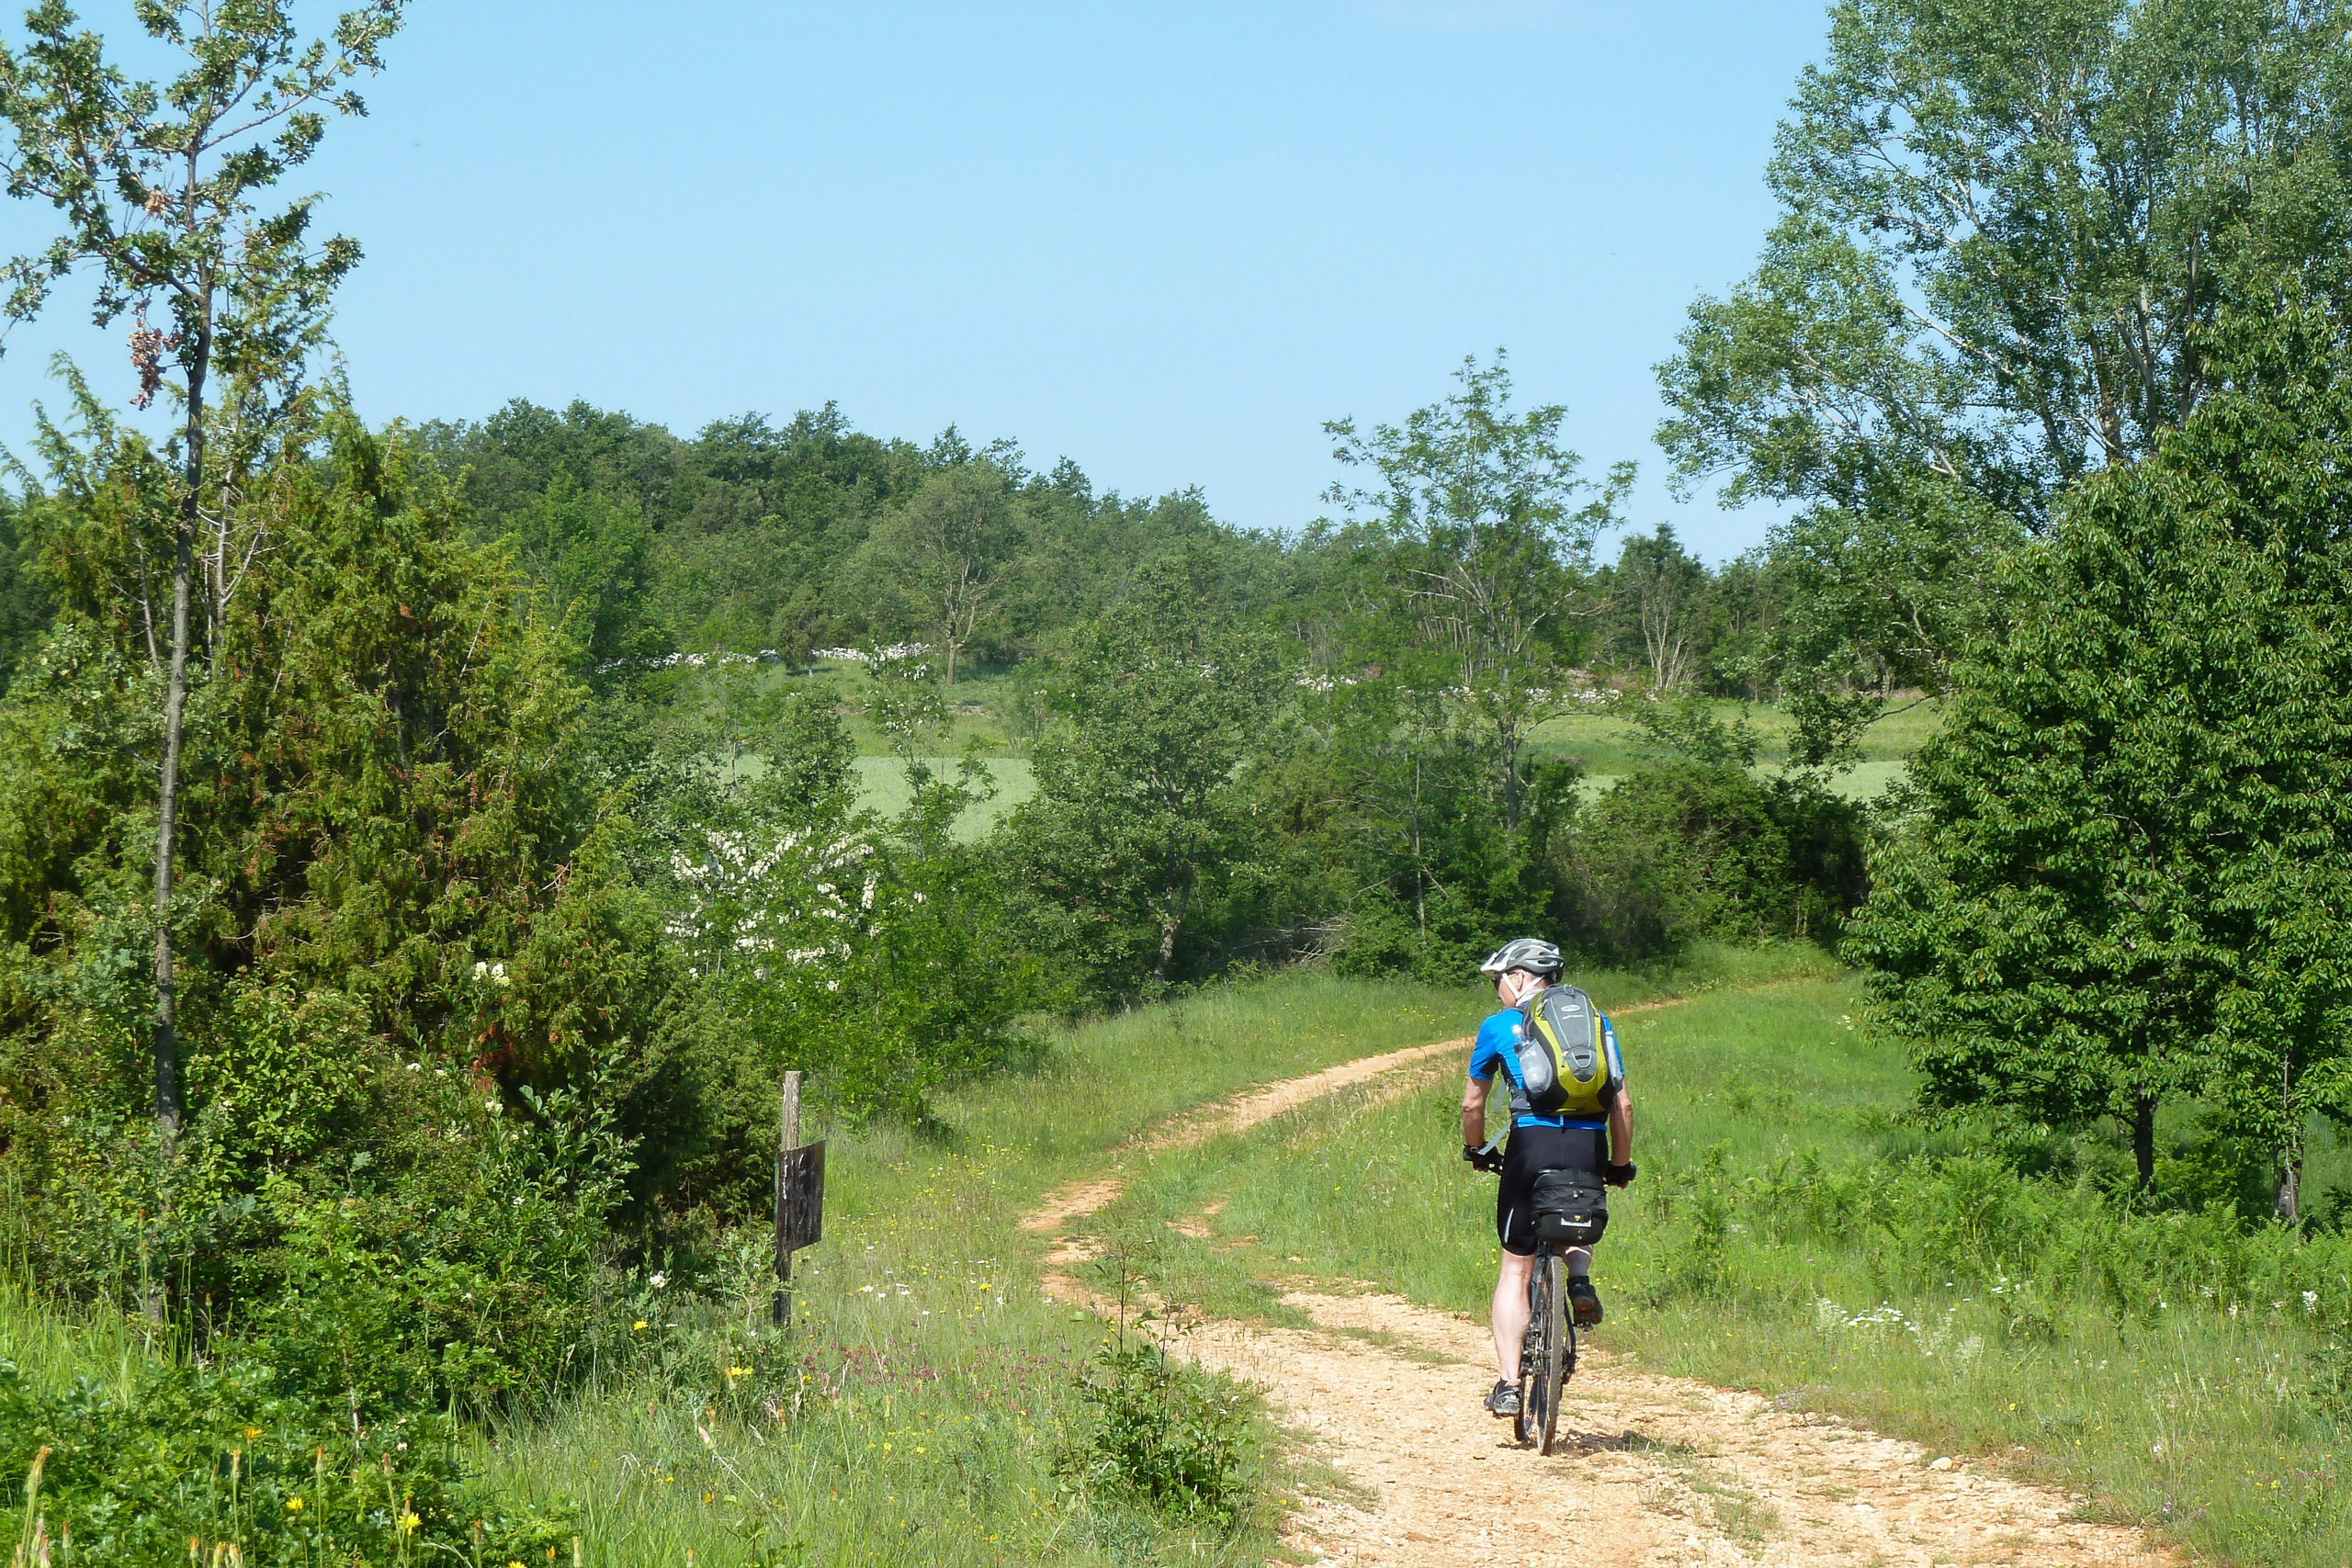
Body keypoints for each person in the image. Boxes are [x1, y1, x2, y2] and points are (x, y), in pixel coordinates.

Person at [1460, 937, 1634, 1418]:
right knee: (1575, 1210)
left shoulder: (1499, 1027)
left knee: (1515, 1268)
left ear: (1519, 978)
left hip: (1530, 1147)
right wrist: (1619, 1163)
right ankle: (1578, 1279)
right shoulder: (1596, 1023)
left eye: (1498, 981)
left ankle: (1509, 1383)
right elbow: (1622, 1104)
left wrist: (1475, 1149)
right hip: (1586, 1146)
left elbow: (1473, 1104)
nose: (1496, 990)